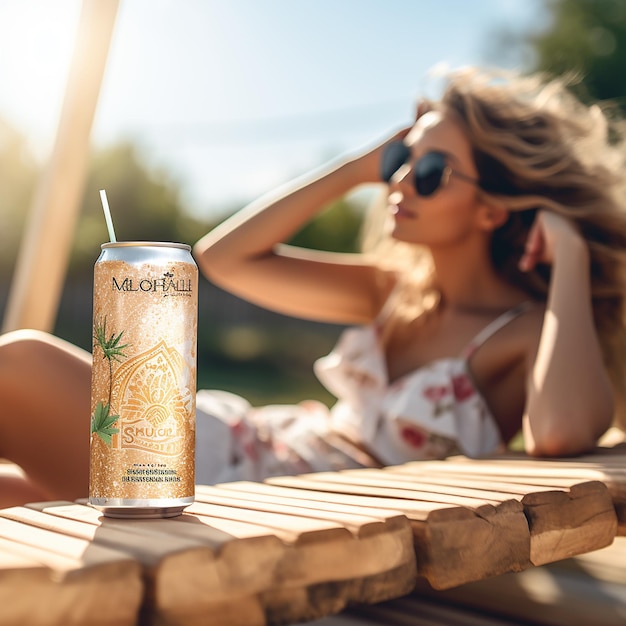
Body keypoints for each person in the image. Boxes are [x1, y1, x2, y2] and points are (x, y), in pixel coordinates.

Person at [192, 67, 626, 485]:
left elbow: (560, 433)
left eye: (432, 170)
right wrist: (357, 168)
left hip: (307, 510)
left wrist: (571, 253)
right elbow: (219, 258)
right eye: (401, 160)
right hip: (249, 451)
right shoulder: (393, 290)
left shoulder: (526, 332)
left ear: (491, 210)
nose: (400, 181)